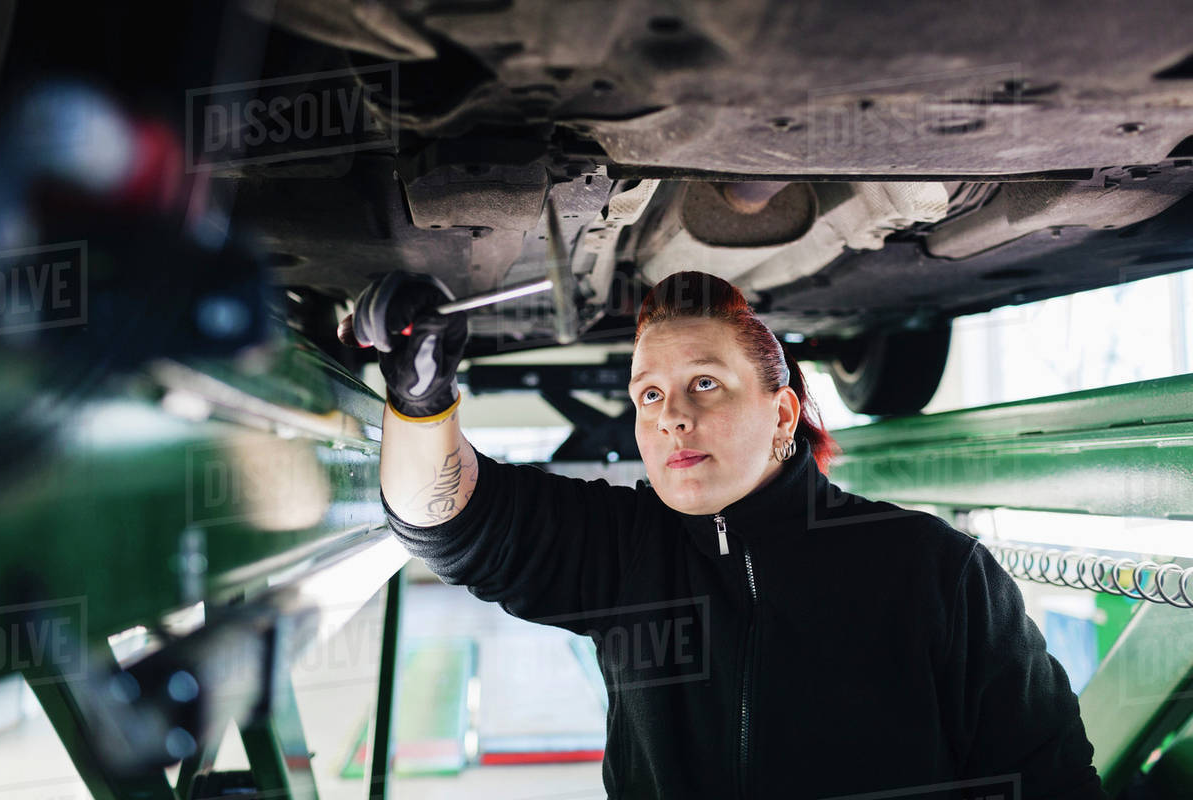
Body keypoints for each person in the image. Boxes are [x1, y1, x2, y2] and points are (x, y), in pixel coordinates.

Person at [346, 269, 1107, 800]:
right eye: (649, 395)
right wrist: (420, 394)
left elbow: (1049, 779)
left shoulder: (933, 568)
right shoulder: (623, 550)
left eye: (704, 383)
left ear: (783, 413)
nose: (672, 416)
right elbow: (445, 518)